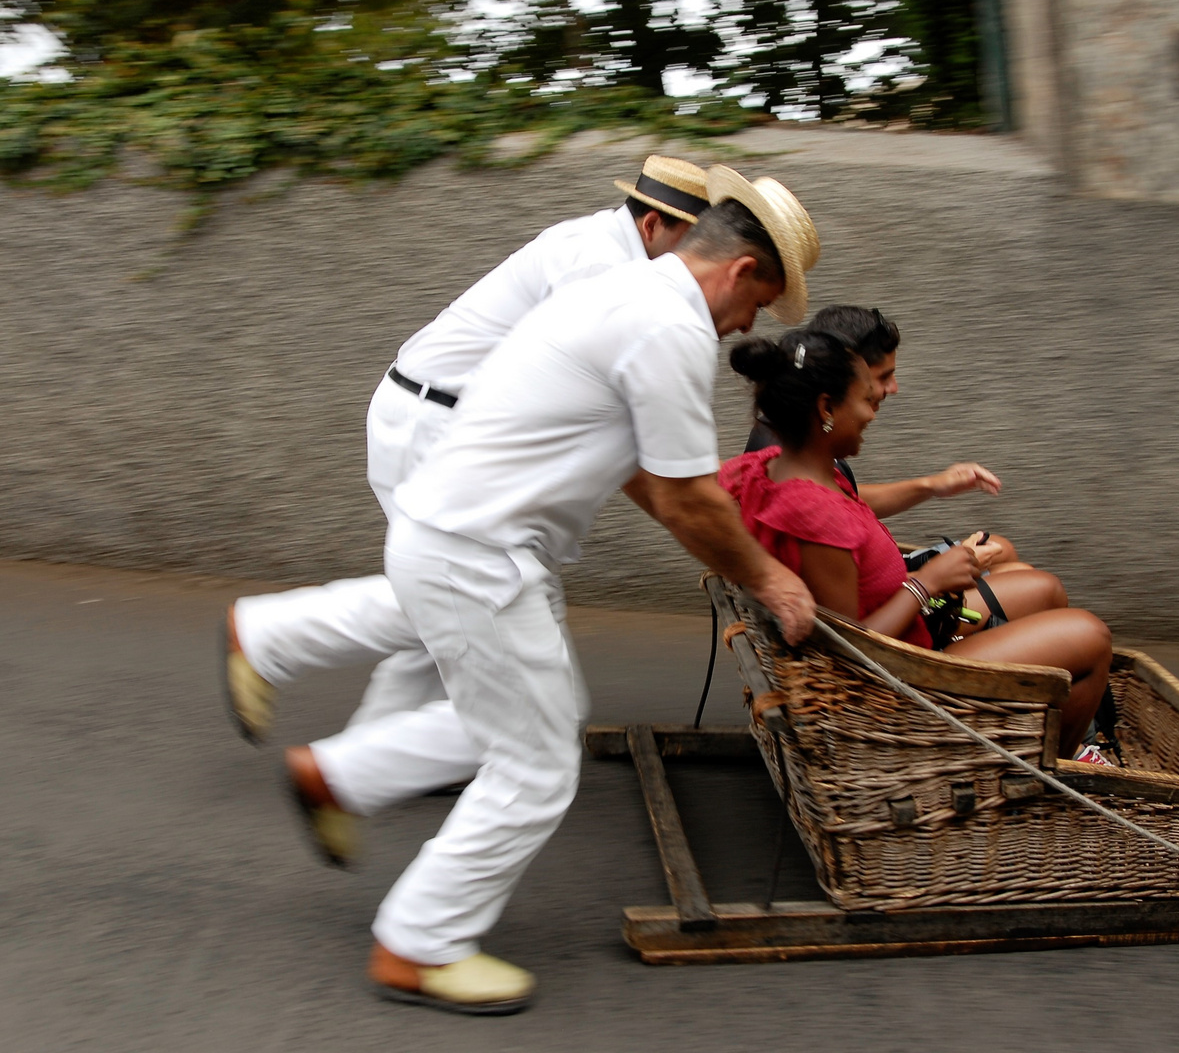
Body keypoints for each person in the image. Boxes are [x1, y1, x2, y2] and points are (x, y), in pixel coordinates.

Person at [280, 170, 820, 1015]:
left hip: (457, 537)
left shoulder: (625, 296)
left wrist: (728, 545)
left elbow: (651, 472)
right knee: (534, 766)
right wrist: (771, 575)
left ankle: (339, 772)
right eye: (761, 304)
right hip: (479, 554)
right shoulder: (666, 328)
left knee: (539, 710)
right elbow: (681, 492)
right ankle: (419, 946)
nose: (748, 326)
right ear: (741, 271)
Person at [223, 156, 711, 744]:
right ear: (655, 223)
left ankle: (375, 743)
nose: (692, 264)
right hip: (435, 421)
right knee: (476, 589)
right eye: (689, 240)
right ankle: (272, 636)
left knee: (461, 592)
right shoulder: (600, 265)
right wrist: (688, 513)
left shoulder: (603, 251)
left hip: (438, 417)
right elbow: (606, 407)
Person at [720, 327, 1113, 758]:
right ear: (827, 407)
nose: (873, 414)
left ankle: (1058, 736)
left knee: (1044, 588)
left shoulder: (765, 467)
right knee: (1091, 636)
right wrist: (928, 581)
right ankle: (1057, 767)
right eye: (866, 401)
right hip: (899, 681)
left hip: (911, 632)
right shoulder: (814, 512)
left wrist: (933, 534)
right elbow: (851, 651)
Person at [745, 305, 1028, 569]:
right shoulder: (796, 451)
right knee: (1029, 579)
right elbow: (850, 613)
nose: (893, 388)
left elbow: (843, 498)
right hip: (882, 600)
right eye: (882, 378)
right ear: (847, 373)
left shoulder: (793, 439)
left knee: (1003, 552)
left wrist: (931, 485)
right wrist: (931, 581)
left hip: (877, 581)